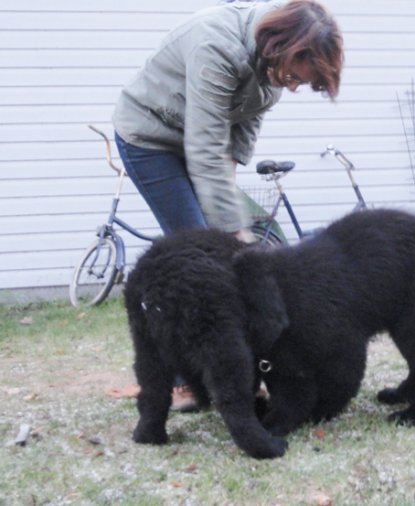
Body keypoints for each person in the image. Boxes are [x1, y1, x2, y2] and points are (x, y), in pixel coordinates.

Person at [112, 0, 343, 410]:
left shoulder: (274, 67)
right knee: (194, 256)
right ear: (284, 46)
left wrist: (232, 205)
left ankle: (242, 369)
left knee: (229, 252)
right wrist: (233, 231)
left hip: (200, 143)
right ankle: (188, 381)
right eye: (294, 76)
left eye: (300, 84)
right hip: (150, 138)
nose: (291, 86)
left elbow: (243, 130)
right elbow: (204, 147)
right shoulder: (215, 46)